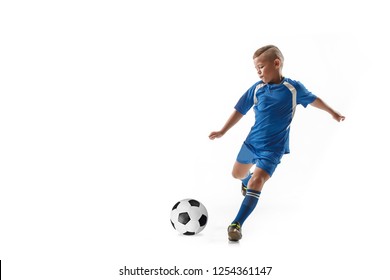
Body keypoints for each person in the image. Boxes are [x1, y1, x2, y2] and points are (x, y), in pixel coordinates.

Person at [209, 45, 345, 242]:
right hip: (251, 143)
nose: (258, 72)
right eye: (256, 68)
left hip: (273, 149)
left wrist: (333, 112)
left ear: (276, 63)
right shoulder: (256, 89)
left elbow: (315, 100)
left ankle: (236, 224)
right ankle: (245, 182)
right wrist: (222, 130)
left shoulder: (293, 88)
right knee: (237, 174)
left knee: (258, 180)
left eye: (261, 67)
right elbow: (240, 109)